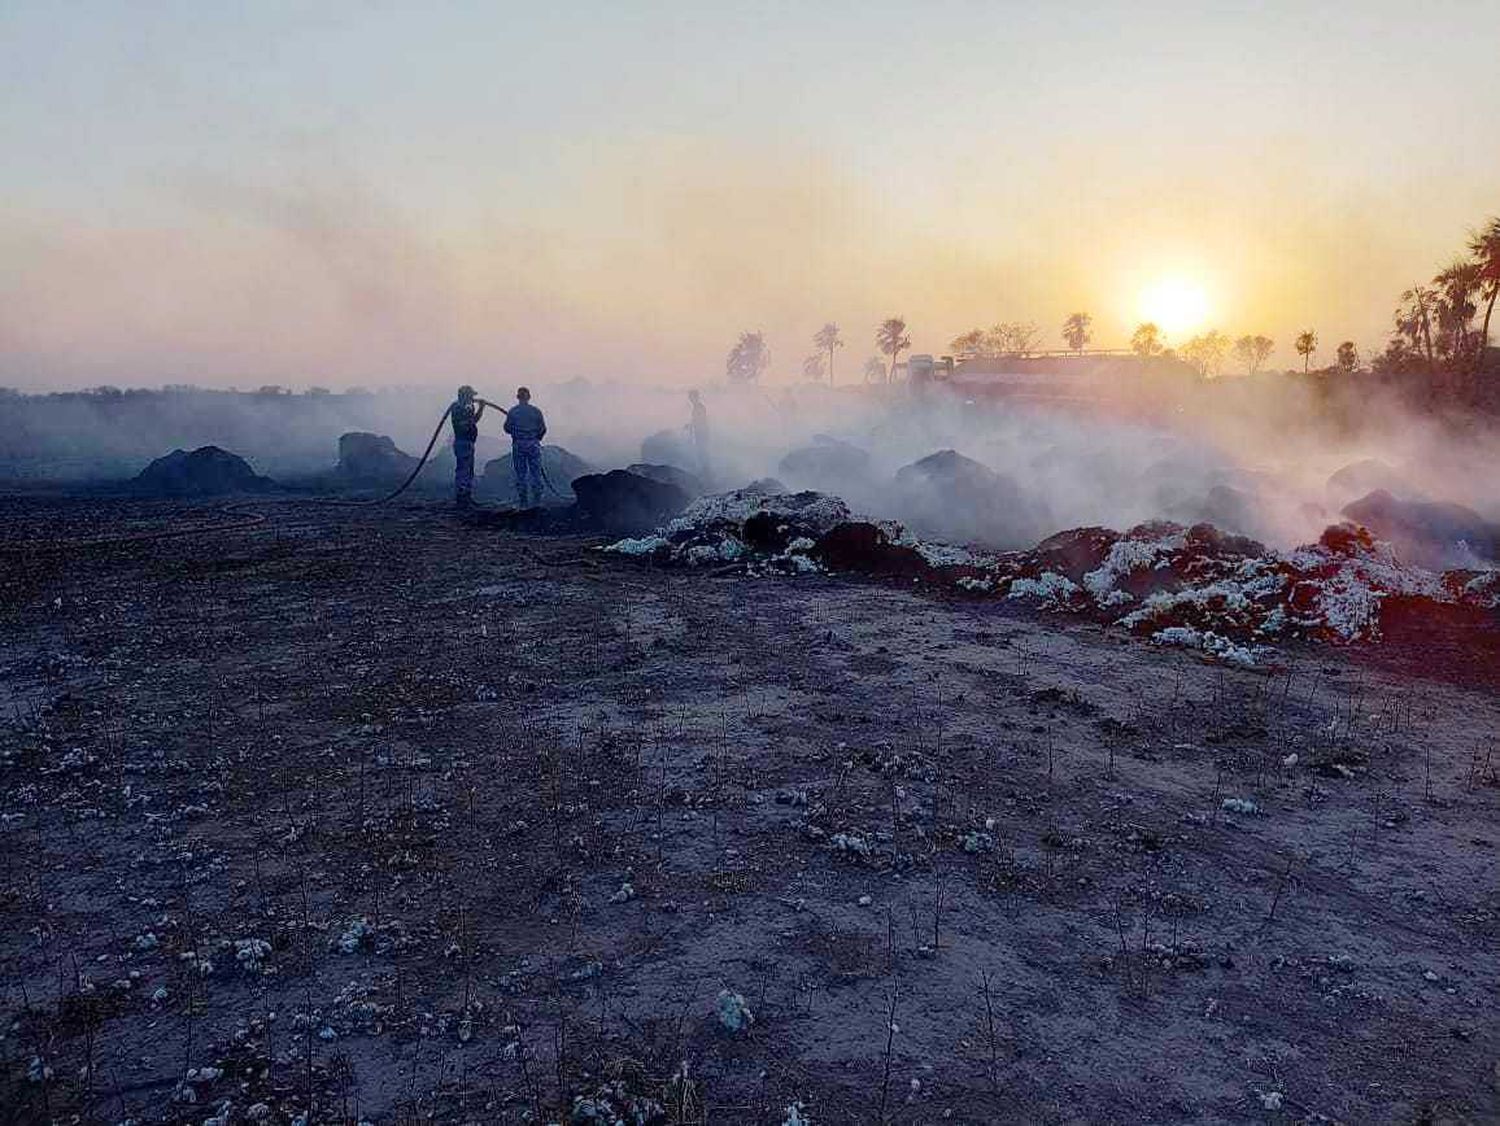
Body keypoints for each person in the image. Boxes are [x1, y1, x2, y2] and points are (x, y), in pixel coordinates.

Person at [503, 386, 547, 508]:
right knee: (536, 473)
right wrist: (537, 438)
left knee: (521, 473)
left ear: (518, 398)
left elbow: (506, 428)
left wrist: (516, 431)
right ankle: (537, 502)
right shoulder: (536, 411)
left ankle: (523, 502)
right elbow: (543, 429)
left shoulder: (513, 412)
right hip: (533, 444)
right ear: (529, 397)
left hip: (519, 444)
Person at [448, 385, 487, 508]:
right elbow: (466, 424)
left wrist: (479, 408)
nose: (472, 398)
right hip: (463, 442)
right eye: (471, 396)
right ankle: (462, 499)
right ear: (465, 396)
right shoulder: (458, 408)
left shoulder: (465, 407)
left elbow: (473, 421)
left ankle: (467, 498)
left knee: (468, 471)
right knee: (463, 471)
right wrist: (479, 409)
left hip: (467, 443)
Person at [687, 389, 710, 481]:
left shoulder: (699, 407)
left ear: (695, 397)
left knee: (702, 453)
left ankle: (706, 474)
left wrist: (692, 426)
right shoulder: (697, 407)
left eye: (691, 397)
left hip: (702, 433)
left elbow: (700, 421)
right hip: (700, 433)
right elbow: (697, 420)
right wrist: (690, 425)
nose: (690, 399)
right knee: (701, 452)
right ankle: (705, 472)